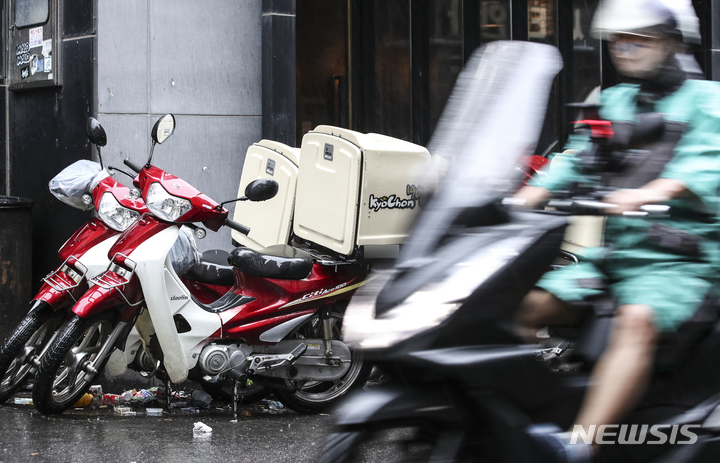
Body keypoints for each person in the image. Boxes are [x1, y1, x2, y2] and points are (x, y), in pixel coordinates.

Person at [514, 0, 720, 460]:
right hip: (613, 261)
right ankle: (537, 417)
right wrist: (520, 197)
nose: (624, 48)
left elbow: (704, 166)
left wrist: (649, 192)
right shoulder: (612, 101)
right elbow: (576, 158)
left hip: (678, 264)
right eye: (618, 39)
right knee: (518, 307)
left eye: (639, 38)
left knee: (636, 320)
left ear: (672, 41)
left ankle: (580, 446)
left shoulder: (709, 101)